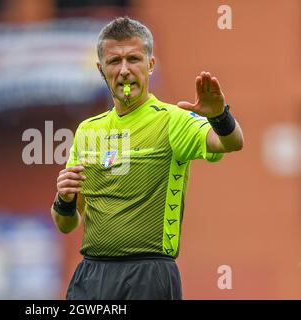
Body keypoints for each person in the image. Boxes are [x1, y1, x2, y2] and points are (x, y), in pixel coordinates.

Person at [50, 16, 244, 300]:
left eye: (134, 59)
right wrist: (64, 199)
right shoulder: (87, 131)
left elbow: (230, 142)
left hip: (149, 276)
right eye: (115, 62)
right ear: (101, 69)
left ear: (151, 65)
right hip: (91, 275)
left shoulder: (173, 120)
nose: (125, 70)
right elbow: (67, 223)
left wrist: (219, 115)